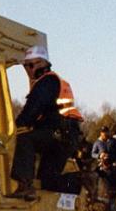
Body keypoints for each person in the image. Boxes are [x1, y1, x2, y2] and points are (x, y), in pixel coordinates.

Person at [7, 45, 82, 200]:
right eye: (25, 66)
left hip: (58, 134)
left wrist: (16, 126)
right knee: (47, 181)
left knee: (25, 139)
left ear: (41, 63)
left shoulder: (46, 82)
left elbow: (33, 109)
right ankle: (81, 181)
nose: (27, 70)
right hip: (65, 136)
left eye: (29, 65)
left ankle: (24, 185)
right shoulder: (54, 81)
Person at [91, 127, 116, 207]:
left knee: (115, 185)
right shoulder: (97, 142)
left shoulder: (114, 142)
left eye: (106, 132)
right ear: (101, 133)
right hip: (102, 166)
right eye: (103, 132)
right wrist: (99, 155)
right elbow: (92, 154)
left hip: (113, 166)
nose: (105, 134)